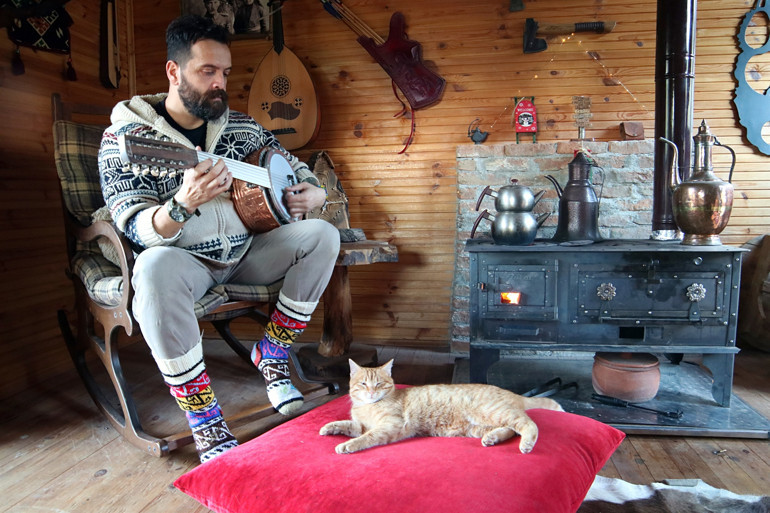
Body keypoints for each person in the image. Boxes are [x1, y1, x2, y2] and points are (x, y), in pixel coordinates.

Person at [98, 14, 339, 463]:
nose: (219, 84)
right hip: (183, 262)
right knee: (150, 268)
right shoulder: (127, 139)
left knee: (322, 235)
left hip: (248, 252)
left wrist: (314, 190)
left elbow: (293, 164)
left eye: (224, 73)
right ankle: (204, 417)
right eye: (207, 71)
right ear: (174, 71)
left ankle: (272, 351)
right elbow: (133, 228)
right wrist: (181, 204)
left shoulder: (241, 127)